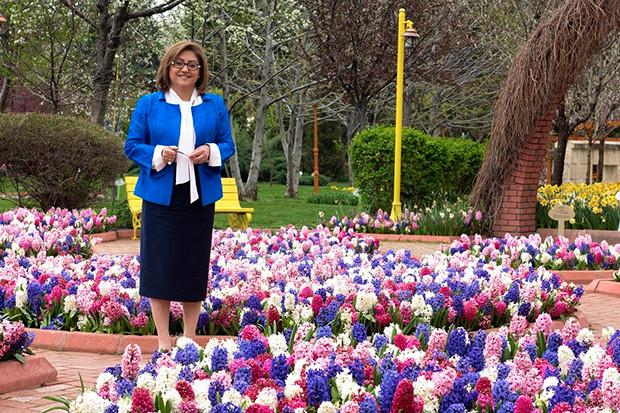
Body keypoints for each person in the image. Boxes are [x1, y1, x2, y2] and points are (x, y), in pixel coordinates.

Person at [125, 40, 235, 351]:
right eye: (179, 63)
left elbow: (228, 144)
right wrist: (160, 152)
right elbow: (132, 145)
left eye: (192, 65)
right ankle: (162, 341)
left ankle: (188, 339)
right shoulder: (149, 104)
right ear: (168, 68)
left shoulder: (213, 105)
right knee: (159, 266)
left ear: (200, 72)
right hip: (160, 196)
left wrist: (210, 151)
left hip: (199, 197)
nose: (185, 69)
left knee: (192, 265)